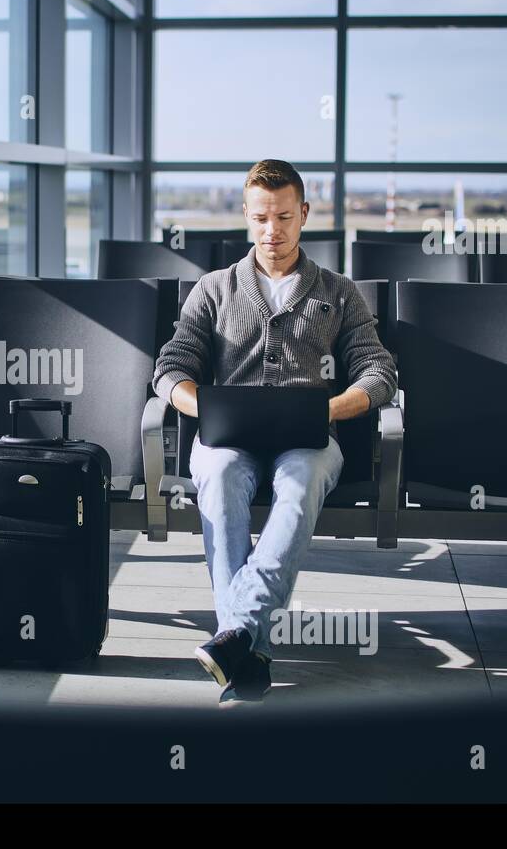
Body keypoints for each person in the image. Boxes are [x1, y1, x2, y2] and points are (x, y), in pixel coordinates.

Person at [151, 159, 397, 705]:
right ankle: (249, 647)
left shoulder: (337, 291)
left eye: (284, 217)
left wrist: (329, 409)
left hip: (309, 440)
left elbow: (380, 374)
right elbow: (169, 369)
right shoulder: (213, 290)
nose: (272, 231)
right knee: (218, 473)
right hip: (226, 440)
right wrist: (204, 407)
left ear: (304, 214)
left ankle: (234, 632)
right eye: (261, 218)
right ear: (245, 216)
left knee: (301, 480)